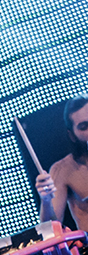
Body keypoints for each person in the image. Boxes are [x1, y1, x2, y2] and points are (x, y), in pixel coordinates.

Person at [35, 94, 88, 230]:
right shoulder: (63, 169)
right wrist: (46, 200)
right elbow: (50, 228)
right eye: (84, 127)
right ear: (72, 135)